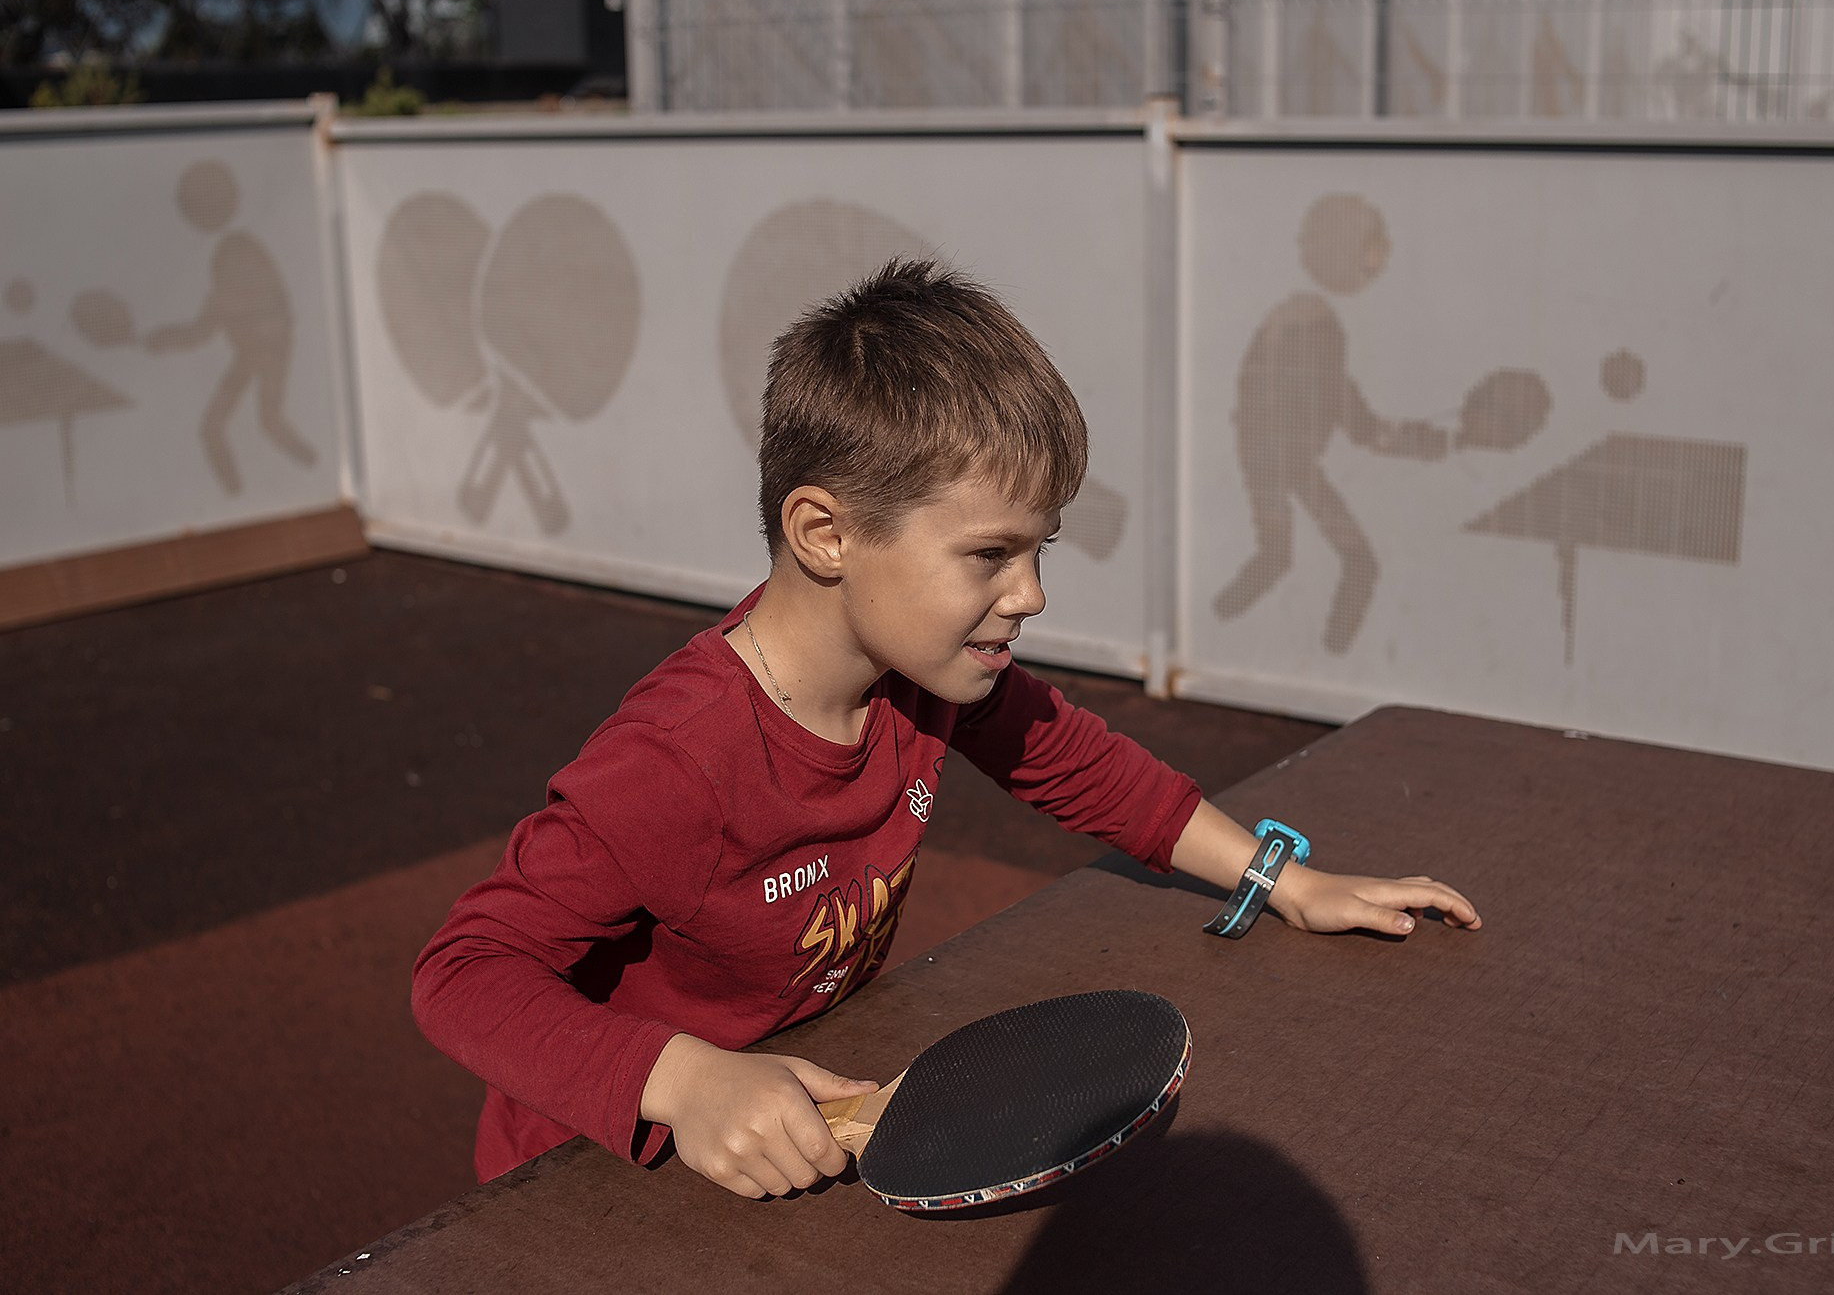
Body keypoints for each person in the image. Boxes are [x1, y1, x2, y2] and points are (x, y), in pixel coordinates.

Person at [412, 259, 1482, 1199]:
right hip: (593, 1170)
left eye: (1039, 550)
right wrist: (686, 1080)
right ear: (825, 533)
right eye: (989, 555)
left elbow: (1080, 763)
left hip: (800, 1115)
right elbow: (464, 972)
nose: (1031, 594)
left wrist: (1282, 880)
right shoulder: (679, 761)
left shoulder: (920, 677)